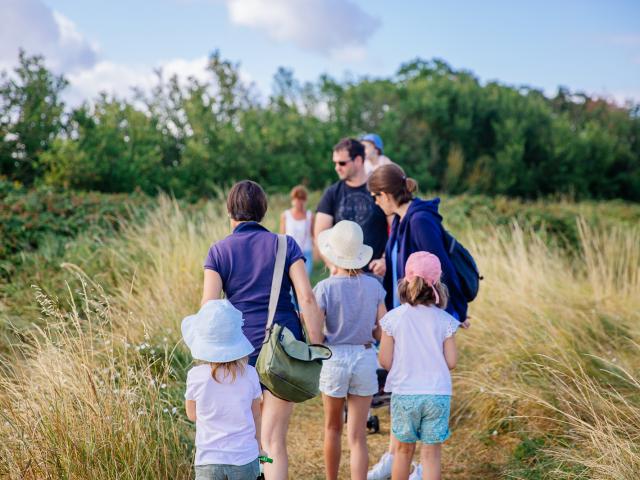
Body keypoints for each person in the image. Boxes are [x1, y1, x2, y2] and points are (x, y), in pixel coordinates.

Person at [201, 180, 324, 480]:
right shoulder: (285, 245)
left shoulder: (218, 252)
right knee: (273, 442)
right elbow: (306, 297)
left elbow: (209, 307)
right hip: (282, 350)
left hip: (237, 352)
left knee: (246, 440)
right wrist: (316, 348)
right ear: (264, 212)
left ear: (230, 211)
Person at [366, 164, 468, 480]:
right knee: (407, 404)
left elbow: (441, 268)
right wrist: (386, 263)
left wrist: (454, 315)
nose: (375, 203)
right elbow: (406, 263)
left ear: (385, 194)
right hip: (406, 319)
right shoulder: (399, 221)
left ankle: (410, 465)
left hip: (423, 319)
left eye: (375, 196)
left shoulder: (420, 220)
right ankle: (396, 456)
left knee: (409, 399)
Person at [313, 220, 387, 480]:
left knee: (332, 427)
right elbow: (382, 330)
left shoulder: (324, 288)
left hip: (334, 357)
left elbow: (314, 333)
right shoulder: (375, 287)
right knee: (357, 435)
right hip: (365, 356)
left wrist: (322, 338)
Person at [378, 252, 457, 480]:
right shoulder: (445, 320)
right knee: (431, 454)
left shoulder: (394, 318)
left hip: (405, 394)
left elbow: (384, 360)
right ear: (437, 283)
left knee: (403, 451)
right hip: (437, 395)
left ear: (406, 280)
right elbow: (451, 362)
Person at [182, 299, 263, 480]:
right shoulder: (250, 374)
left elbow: (192, 414)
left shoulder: (195, 375)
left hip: (208, 459)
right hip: (244, 457)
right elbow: (256, 414)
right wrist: (259, 446)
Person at [315, 138, 388, 274]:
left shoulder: (379, 189)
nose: (337, 167)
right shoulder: (332, 193)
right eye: (335, 163)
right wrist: (333, 266)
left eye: (342, 163)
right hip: (341, 276)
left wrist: (384, 260)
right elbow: (320, 233)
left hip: (375, 275)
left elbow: (395, 227)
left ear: (359, 160)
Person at [280, 185, 314, 277]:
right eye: (296, 199)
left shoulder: (310, 215)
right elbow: (282, 236)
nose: (299, 202)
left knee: (304, 279)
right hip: (290, 253)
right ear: (292, 200)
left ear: (305, 200)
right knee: (291, 282)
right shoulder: (285, 215)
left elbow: (313, 235)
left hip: (306, 253)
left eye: (301, 199)